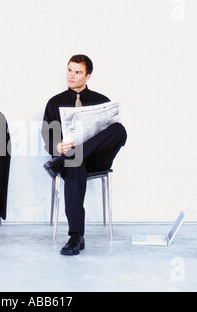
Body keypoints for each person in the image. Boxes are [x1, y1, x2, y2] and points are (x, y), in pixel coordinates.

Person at [41, 54, 127, 255]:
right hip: (73, 161)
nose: (71, 76)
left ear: (88, 76)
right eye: (69, 70)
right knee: (74, 162)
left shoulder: (101, 101)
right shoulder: (55, 103)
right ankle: (76, 237)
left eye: (78, 72)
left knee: (119, 130)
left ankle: (64, 161)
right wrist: (58, 147)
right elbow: (48, 137)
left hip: (97, 159)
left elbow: (114, 137)